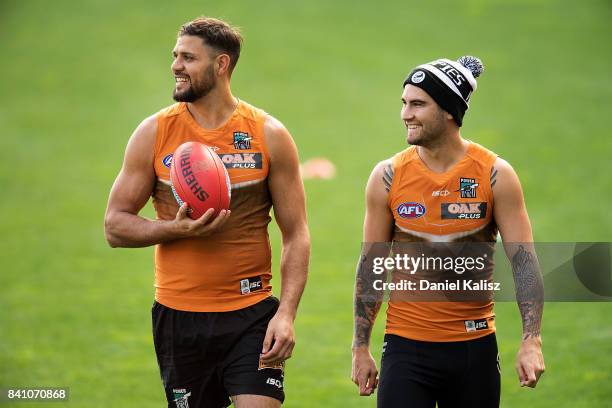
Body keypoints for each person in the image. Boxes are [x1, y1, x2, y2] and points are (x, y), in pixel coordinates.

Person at [104, 17, 310, 408]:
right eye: (175, 56)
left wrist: (285, 314)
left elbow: (296, 232)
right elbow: (114, 226)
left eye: (187, 58)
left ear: (221, 65)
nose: (176, 66)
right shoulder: (154, 133)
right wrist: (176, 229)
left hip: (251, 313)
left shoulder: (269, 135)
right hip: (179, 317)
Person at [351, 56, 545, 407]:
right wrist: (360, 347)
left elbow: (524, 262)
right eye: (404, 103)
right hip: (405, 349)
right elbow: (372, 266)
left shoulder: (494, 175)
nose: (406, 114)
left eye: (418, 104)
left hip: (474, 350)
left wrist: (532, 340)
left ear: (449, 112)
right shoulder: (387, 176)